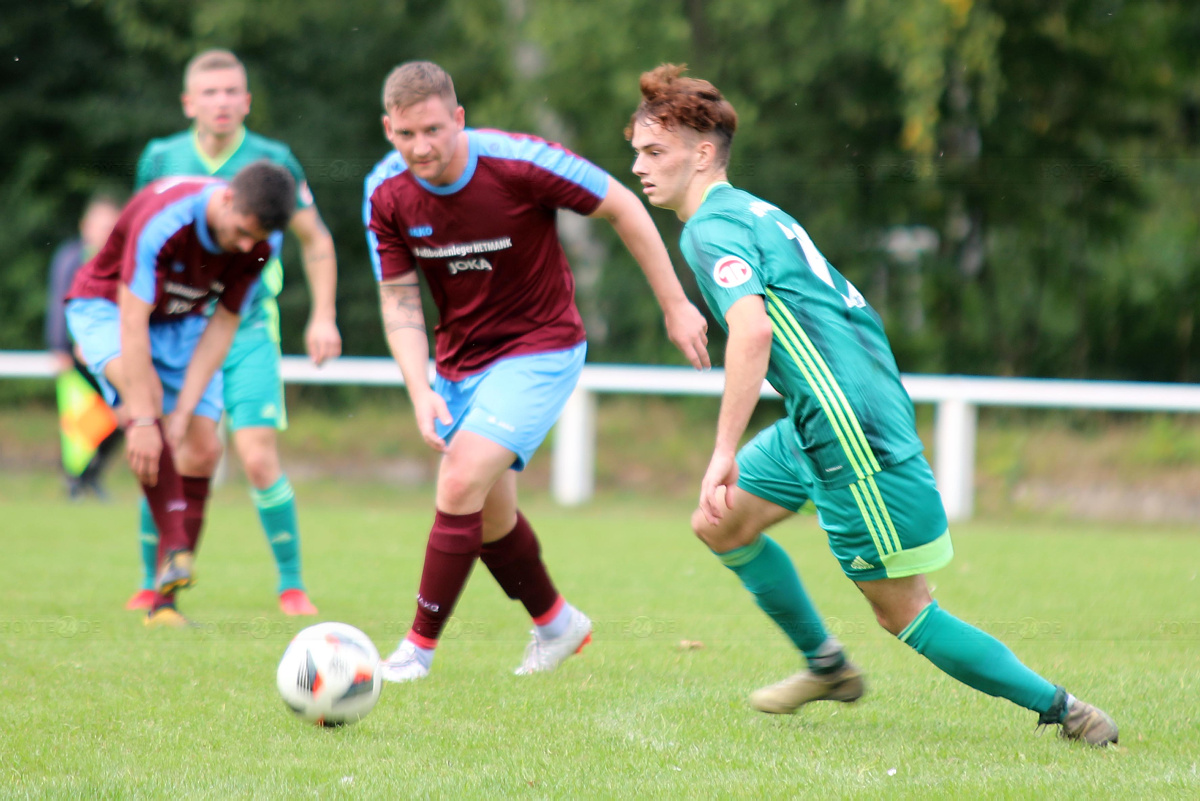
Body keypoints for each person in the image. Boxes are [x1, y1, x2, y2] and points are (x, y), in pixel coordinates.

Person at [625, 64, 1118, 746]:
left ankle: (1066, 709)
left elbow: (754, 331)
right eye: (637, 151)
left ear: (702, 153)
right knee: (720, 525)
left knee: (903, 611)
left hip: (846, 427)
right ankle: (827, 667)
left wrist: (718, 453)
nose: (638, 166)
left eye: (653, 151)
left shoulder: (710, 229)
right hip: (823, 415)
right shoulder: (754, 210)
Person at [364, 60, 710, 682]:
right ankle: (556, 624)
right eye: (406, 135)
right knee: (490, 517)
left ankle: (416, 651)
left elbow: (624, 208)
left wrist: (676, 305)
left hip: (541, 346)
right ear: (388, 129)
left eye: (434, 130)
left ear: (459, 119)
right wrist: (420, 389)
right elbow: (398, 298)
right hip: (459, 362)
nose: (422, 147)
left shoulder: (522, 161)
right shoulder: (384, 192)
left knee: (458, 482)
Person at [125, 49, 341, 616]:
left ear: (246, 101)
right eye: (210, 92)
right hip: (176, 330)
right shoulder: (161, 157)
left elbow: (316, 239)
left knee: (257, 456)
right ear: (188, 102)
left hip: (247, 327)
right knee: (176, 448)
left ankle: (291, 586)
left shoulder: (273, 161)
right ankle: (157, 583)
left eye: (232, 92)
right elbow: (137, 239)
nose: (222, 102)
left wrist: (322, 315)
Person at [65, 161, 297, 627]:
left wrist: (183, 411)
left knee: (203, 447)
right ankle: (174, 546)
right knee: (143, 396)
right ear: (228, 198)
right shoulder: (164, 217)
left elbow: (224, 323)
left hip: (183, 321)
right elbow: (132, 321)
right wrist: (146, 420)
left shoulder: (261, 244)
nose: (247, 246)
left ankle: (164, 606)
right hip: (108, 307)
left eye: (258, 239)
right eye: (242, 232)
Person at [45, 193, 124, 499]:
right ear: (85, 226)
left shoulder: (122, 259)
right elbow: (59, 303)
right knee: (82, 421)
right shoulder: (71, 258)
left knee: (123, 415)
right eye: (102, 225)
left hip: (109, 352)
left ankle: (89, 476)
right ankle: (77, 479)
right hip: (76, 356)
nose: (107, 232)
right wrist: (60, 347)